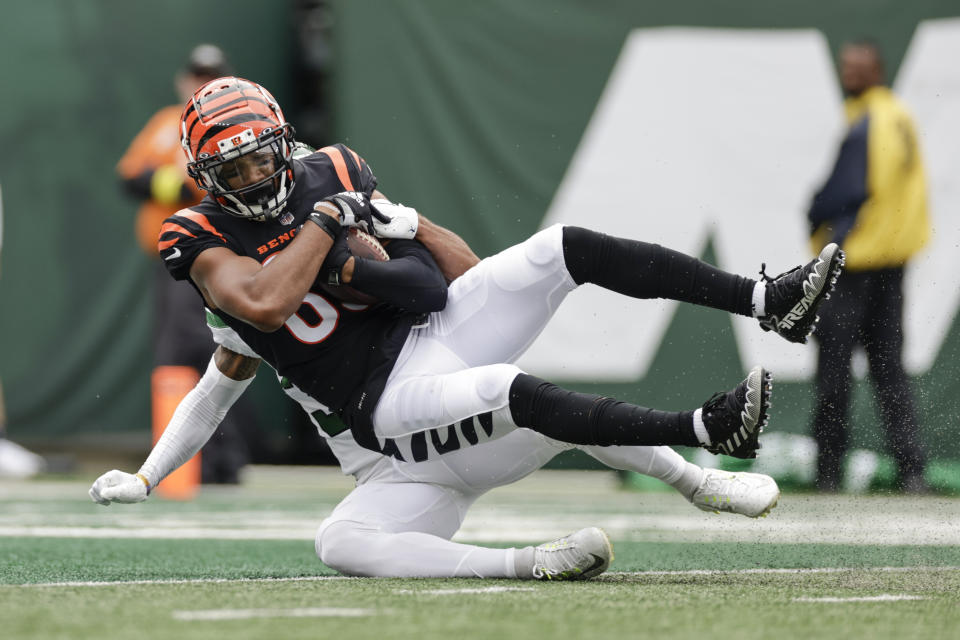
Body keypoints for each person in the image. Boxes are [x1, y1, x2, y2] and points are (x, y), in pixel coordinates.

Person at [91, 77, 844, 580]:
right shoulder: (205, 242)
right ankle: (532, 556)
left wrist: (408, 221)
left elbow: (452, 274)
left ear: (282, 144)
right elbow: (256, 318)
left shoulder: (334, 169)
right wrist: (151, 475)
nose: (255, 178)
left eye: (263, 159)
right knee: (355, 530)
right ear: (206, 176)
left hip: (429, 345)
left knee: (561, 248)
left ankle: (760, 305)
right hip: (384, 411)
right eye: (238, 170)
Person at [116, 45, 252, 485]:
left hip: (209, 254)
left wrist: (173, 185)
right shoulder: (165, 122)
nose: (199, 83)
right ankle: (198, 462)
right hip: (169, 259)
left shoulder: (231, 123)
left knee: (201, 350)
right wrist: (169, 183)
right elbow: (130, 178)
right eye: (196, 75)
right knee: (181, 354)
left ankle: (219, 461)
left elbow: (209, 188)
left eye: (210, 76)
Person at [807, 40, 931, 493]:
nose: (849, 73)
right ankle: (911, 471)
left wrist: (818, 221)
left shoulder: (871, 122)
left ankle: (827, 473)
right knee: (888, 369)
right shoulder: (897, 114)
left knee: (835, 370)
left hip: (855, 265)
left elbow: (848, 192)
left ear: (877, 69)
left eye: (858, 67)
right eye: (846, 66)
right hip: (891, 263)